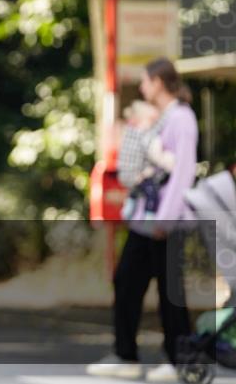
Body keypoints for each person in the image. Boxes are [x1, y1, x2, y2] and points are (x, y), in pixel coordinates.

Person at [87, 58, 198, 382]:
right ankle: (126, 354)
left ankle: (179, 362)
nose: (142, 87)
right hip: (146, 219)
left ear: (159, 82)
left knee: (170, 292)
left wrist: (166, 218)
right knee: (127, 281)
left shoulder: (181, 118)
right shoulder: (160, 117)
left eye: (145, 81)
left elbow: (183, 172)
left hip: (165, 220)